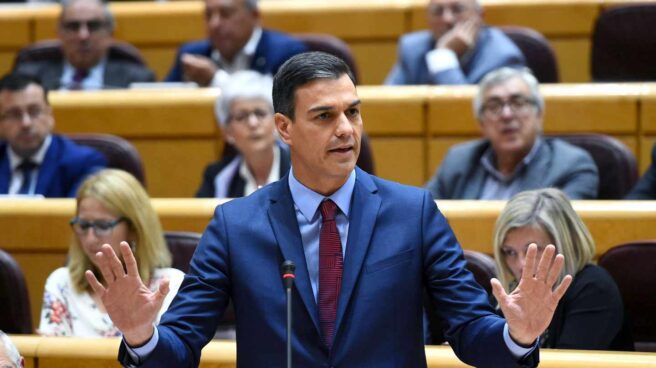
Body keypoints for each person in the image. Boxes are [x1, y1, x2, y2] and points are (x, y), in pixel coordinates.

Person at [90, 52, 571, 367]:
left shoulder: (413, 212)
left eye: (353, 111)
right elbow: (181, 343)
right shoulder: (236, 225)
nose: (346, 129)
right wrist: (140, 334)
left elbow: (468, 329)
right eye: (324, 116)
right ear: (284, 127)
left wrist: (518, 335)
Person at [38, 169, 184, 337]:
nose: (90, 239)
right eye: (83, 226)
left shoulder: (169, 285)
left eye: (103, 226)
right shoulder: (62, 283)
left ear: (134, 229)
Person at [426, 67, 599, 200]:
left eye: (518, 103)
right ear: (481, 123)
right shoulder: (459, 161)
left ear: (539, 114)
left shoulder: (571, 166)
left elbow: (560, 235)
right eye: (494, 106)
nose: (507, 115)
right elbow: (421, 215)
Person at [493, 188, 632, 350]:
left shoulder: (593, 289)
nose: (520, 264)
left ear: (564, 244)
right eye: (510, 252)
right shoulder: (509, 290)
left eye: (534, 249)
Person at [0, 73, 106, 197]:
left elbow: (79, 215)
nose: (26, 123)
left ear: (50, 115)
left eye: (35, 111)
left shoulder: (84, 163)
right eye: (14, 114)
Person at [13, 0, 155, 90]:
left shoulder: (136, 80)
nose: (83, 36)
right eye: (73, 26)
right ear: (59, 33)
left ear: (110, 33)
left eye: (93, 26)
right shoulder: (28, 77)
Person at [164, 0, 307, 86]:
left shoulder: (287, 53)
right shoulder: (192, 55)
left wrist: (215, 79)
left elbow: (278, 107)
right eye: (208, 15)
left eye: (225, 14)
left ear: (254, 16)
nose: (214, 24)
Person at [196, 71, 290, 197]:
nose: (253, 123)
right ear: (227, 132)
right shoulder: (217, 177)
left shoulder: (304, 169)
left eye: (260, 113)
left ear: (277, 122)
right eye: (241, 117)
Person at [385, 0, 525, 85]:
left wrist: (443, 56)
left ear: (480, 16)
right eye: (437, 11)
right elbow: (389, 107)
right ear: (427, 18)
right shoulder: (412, 49)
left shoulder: (501, 57)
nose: (447, 19)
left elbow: (464, 114)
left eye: (458, 9)